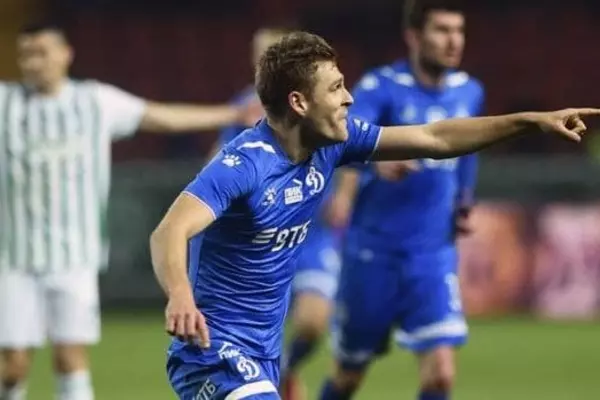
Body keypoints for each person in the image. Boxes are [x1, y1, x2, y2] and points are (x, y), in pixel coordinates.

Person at [149, 30, 596, 400]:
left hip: (263, 353)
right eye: (335, 88)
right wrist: (180, 294)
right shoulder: (245, 163)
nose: (348, 99)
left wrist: (529, 121)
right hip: (211, 349)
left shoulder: (334, 143)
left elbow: (435, 138)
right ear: (299, 103)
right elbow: (170, 230)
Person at [0, 21, 260, 400]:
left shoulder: (94, 102)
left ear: (65, 54)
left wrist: (231, 115)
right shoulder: (5, 103)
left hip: (74, 256)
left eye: (41, 52)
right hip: (13, 257)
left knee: (70, 356)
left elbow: (160, 116)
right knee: (13, 365)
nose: (33, 62)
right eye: (26, 54)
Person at [321, 1, 482, 399]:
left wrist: (463, 200)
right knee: (348, 376)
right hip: (373, 253)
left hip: (432, 254)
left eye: (459, 31)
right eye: (442, 30)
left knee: (440, 375)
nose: (453, 41)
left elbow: (467, 152)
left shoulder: (469, 91)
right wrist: (376, 164)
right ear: (413, 36)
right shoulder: (381, 87)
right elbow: (343, 136)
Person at [214, 27, 341, 400]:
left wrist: (345, 193)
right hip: (260, 239)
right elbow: (217, 164)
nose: (262, 61)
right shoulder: (244, 108)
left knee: (313, 322)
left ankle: (286, 368)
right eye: (257, 54)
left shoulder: (318, 102)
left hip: (310, 234)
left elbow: (352, 144)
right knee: (251, 336)